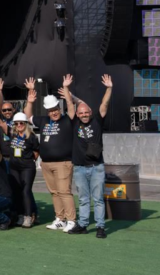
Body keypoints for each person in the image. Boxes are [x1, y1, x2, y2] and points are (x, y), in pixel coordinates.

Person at [24, 77, 76, 232]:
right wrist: (30, 101)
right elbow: (27, 117)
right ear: (47, 111)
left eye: (56, 109)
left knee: (64, 192)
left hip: (63, 162)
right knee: (54, 192)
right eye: (51, 110)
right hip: (46, 163)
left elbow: (71, 108)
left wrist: (66, 91)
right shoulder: (44, 120)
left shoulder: (67, 120)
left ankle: (71, 220)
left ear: (59, 108)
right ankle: (60, 219)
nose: (54, 112)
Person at [64, 74, 111, 239]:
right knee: (83, 199)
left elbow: (104, 104)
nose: (84, 115)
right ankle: (83, 225)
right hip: (79, 168)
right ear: (77, 114)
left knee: (97, 199)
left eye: (86, 112)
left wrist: (109, 88)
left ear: (90, 112)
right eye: (81, 113)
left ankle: (100, 227)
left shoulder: (97, 121)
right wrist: (67, 87)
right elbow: (70, 103)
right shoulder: (74, 121)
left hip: (96, 166)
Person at [7, 112, 39, 228]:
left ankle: (28, 216)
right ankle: (20, 214)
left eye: (22, 123)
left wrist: (26, 160)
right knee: (16, 190)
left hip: (27, 167)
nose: (19, 125)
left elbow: (36, 152)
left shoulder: (32, 136)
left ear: (26, 123)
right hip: (14, 167)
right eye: (17, 123)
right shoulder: (13, 134)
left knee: (26, 190)